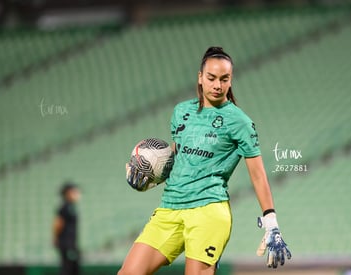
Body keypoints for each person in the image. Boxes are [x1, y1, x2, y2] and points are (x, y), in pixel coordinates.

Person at [118, 46, 291, 275]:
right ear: (200, 77)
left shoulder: (240, 122)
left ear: (231, 80)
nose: (217, 85)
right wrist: (148, 170)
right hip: (170, 209)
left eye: (224, 79)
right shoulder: (181, 112)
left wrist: (271, 222)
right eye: (211, 78)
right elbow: (181, 155)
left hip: (208, 211)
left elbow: (258, 174)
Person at [53, 182, 81, 275]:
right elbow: (58, 224)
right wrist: (56, 238)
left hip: (71, 243)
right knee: (67, 268)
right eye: (74, 192)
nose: (77, 194)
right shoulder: (64, 207)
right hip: (66, 243)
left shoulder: (71, 207)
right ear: (68, 193)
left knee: (73, 267)